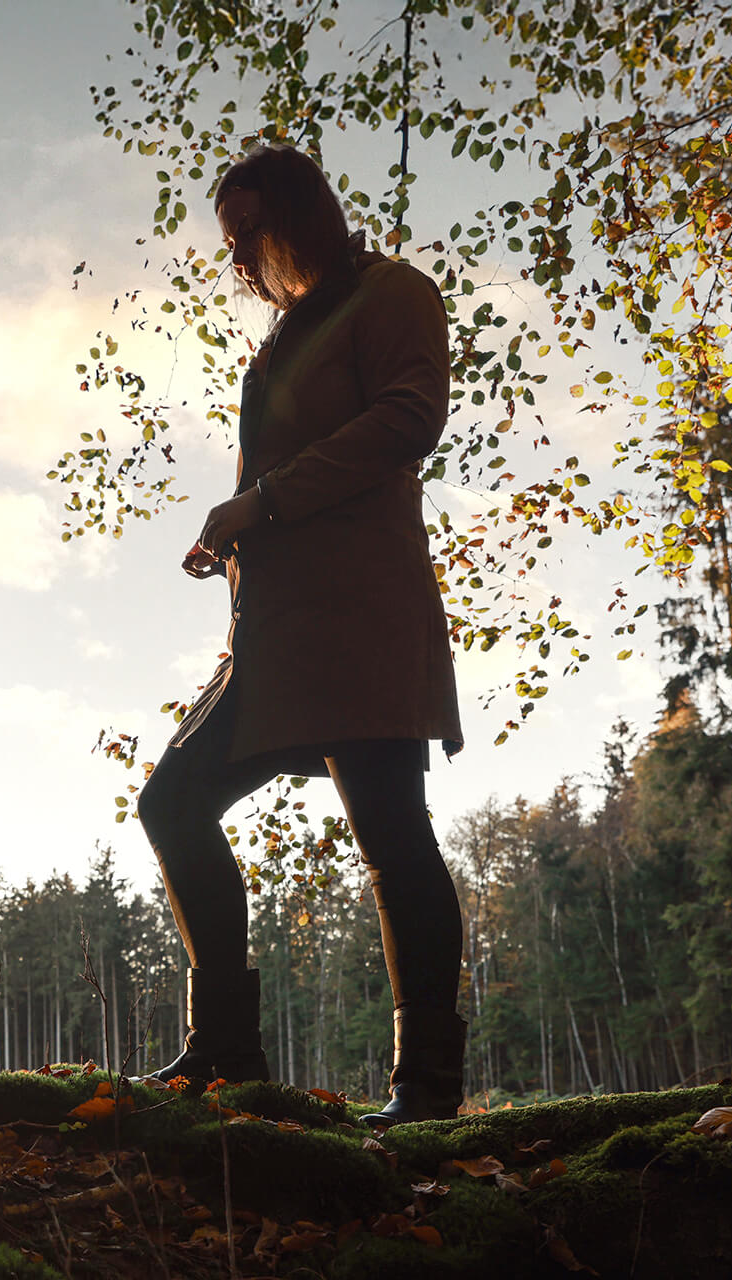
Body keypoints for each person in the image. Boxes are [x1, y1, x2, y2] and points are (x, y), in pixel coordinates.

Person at [136, 144, 466, 1128]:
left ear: (302, 216)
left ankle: (428, 1088)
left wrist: (263, 502)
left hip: (363, 613)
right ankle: (227, 1053)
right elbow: (268, 485)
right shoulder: (274, 346)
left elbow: (411, 417)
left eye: (249, 234)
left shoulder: (392, 293)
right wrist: (230, 532)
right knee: (173, 801)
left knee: (391, 832)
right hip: (271, 638)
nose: (237, 257)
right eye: (229, 240)